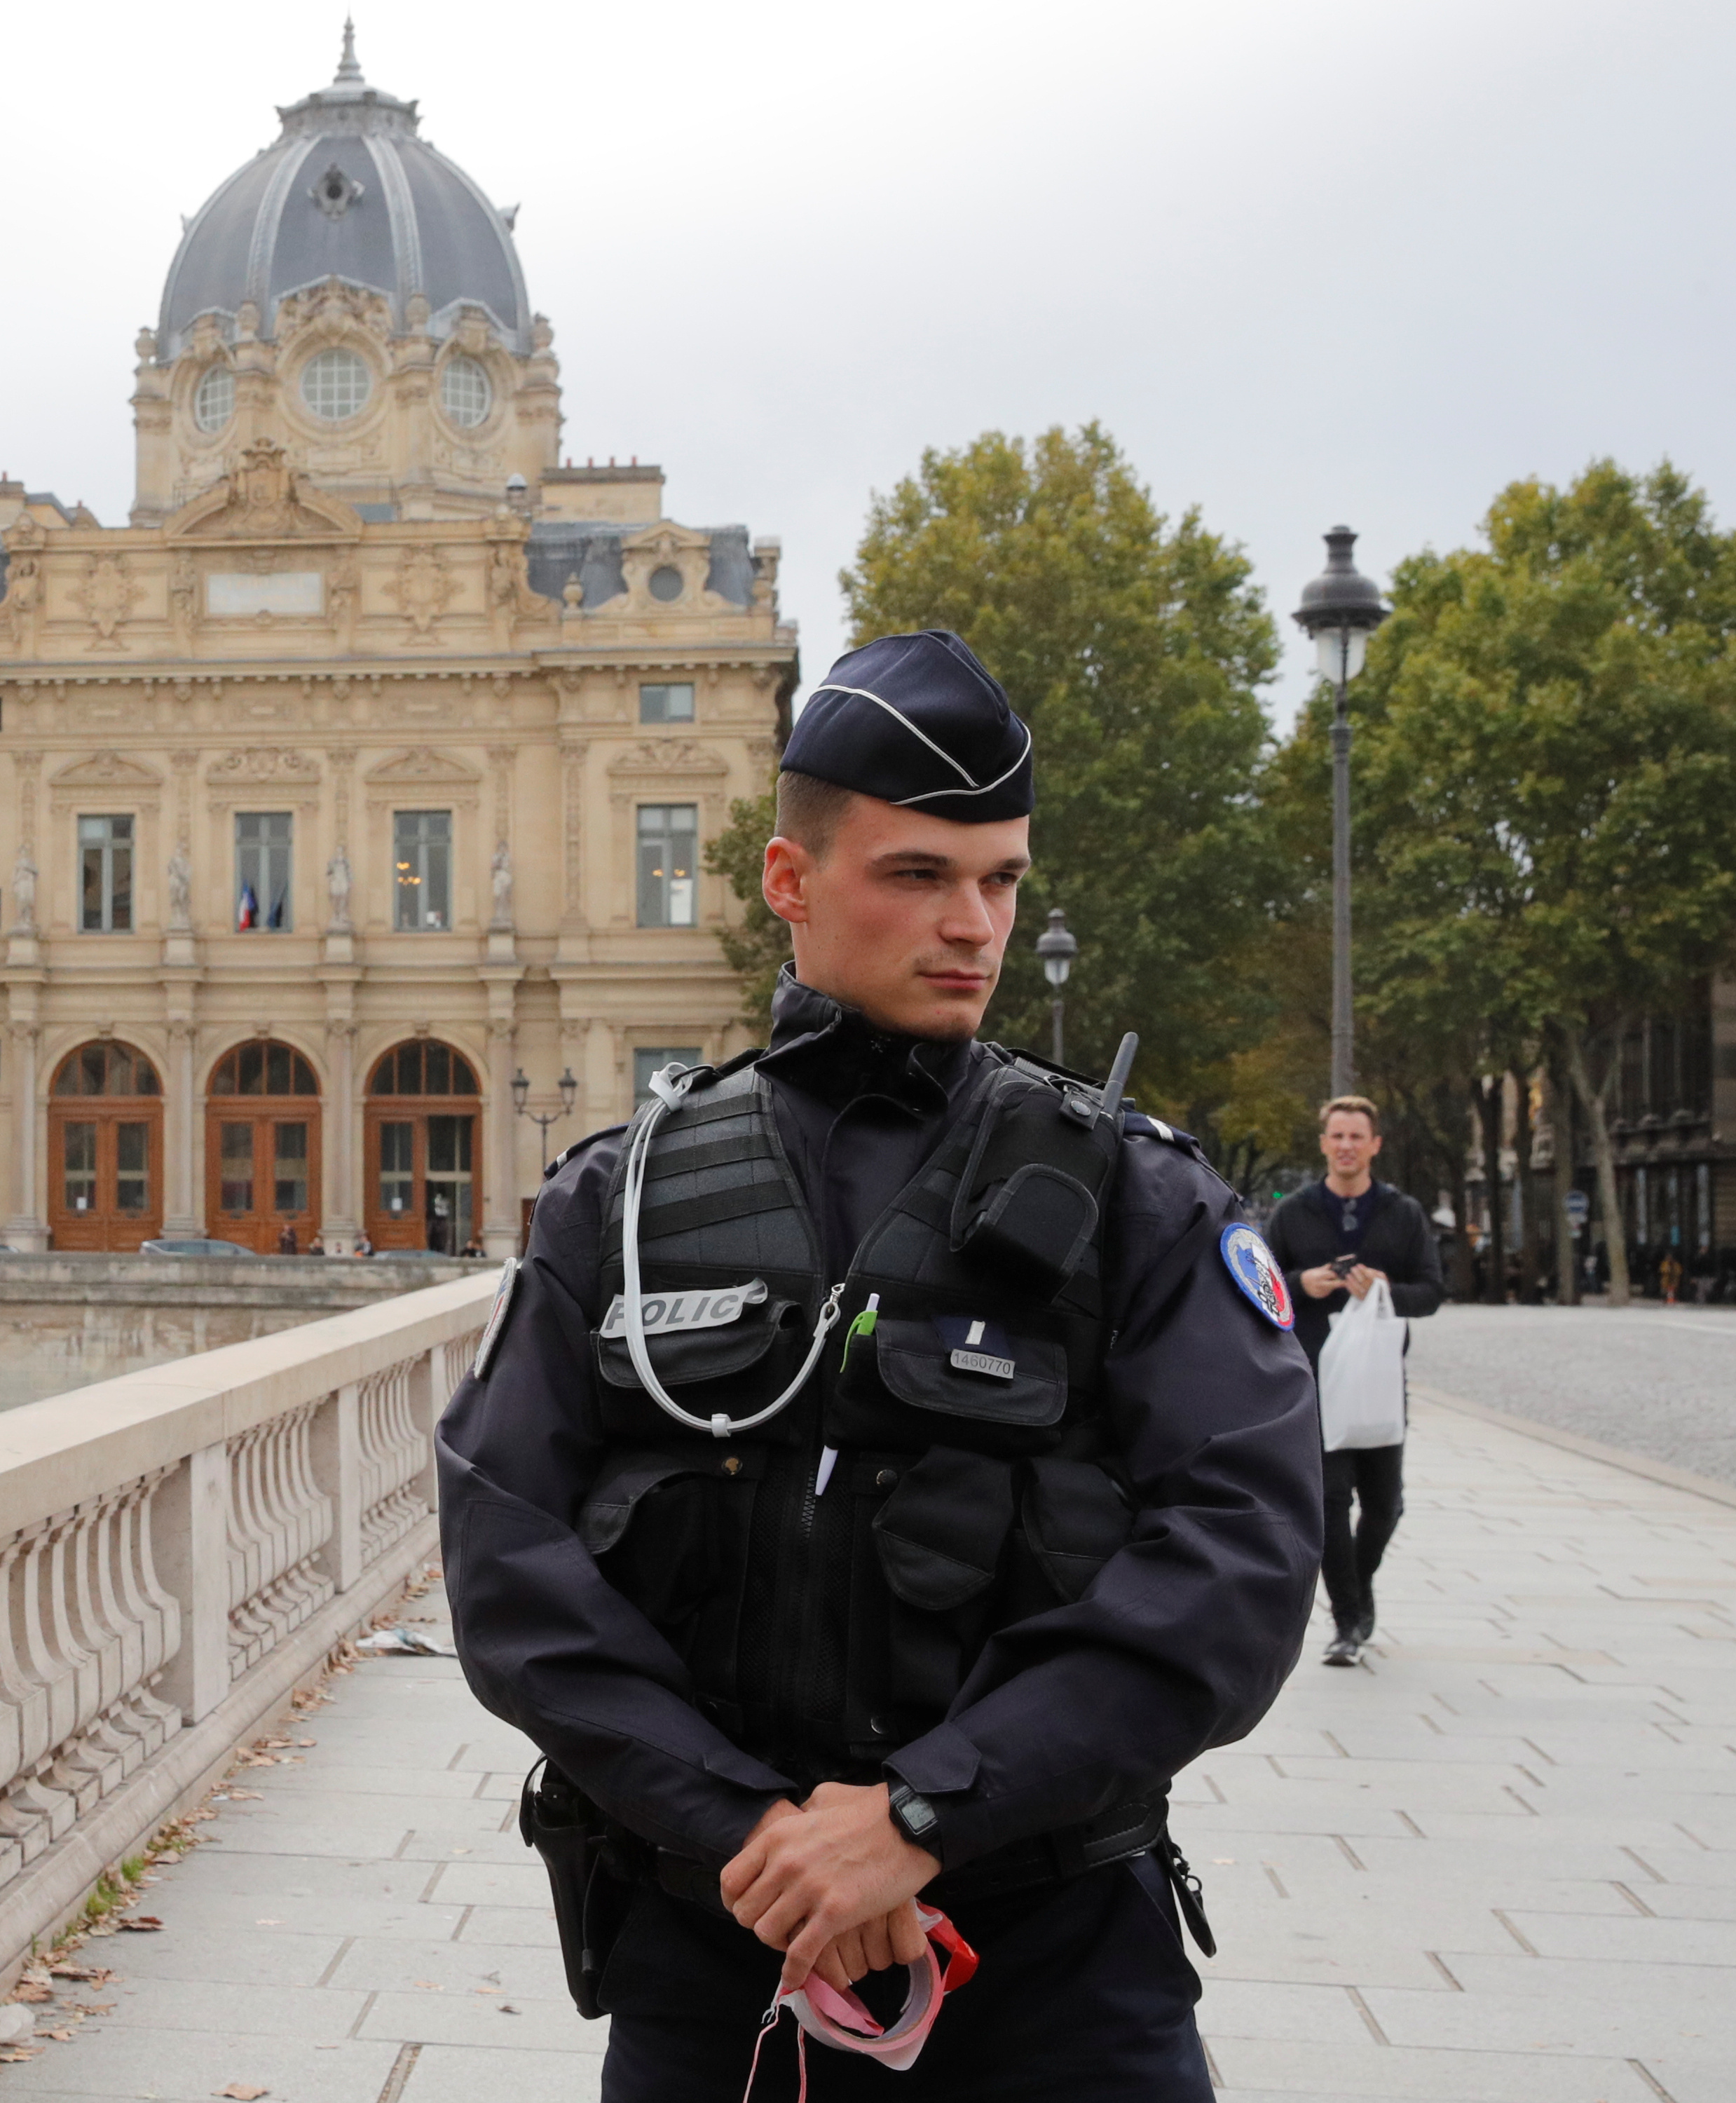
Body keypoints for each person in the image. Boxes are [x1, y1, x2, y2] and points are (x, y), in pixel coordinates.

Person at [437, 629, 1322, 2102]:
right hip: (718, 1961)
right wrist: (765, 1842)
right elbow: (507, 1555)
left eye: (1001, 880)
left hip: (1055, 1970)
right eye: (918, 875)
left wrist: (916, 1817)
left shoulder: (1137, 1199)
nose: (971, 922)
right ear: (790, 883)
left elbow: (1238, 1557)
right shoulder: (624, 1201)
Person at [1265, 1097, 1443, 1668]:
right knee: (1330, 1501)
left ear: (1374, 1146)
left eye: (1356, 1137)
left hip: (1382, 1377)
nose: (1346, 1145)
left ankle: (1358, 1588)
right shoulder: (1293, 1213)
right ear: (1324, 1144)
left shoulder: (1403, 1213)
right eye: (1336, 1136)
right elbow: (1258, 1287)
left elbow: (1433, 1292)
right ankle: (1347, 1620)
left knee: (1385, 1504)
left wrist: (1386, 1289)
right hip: (1316, 1378)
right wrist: (1302, 1283)